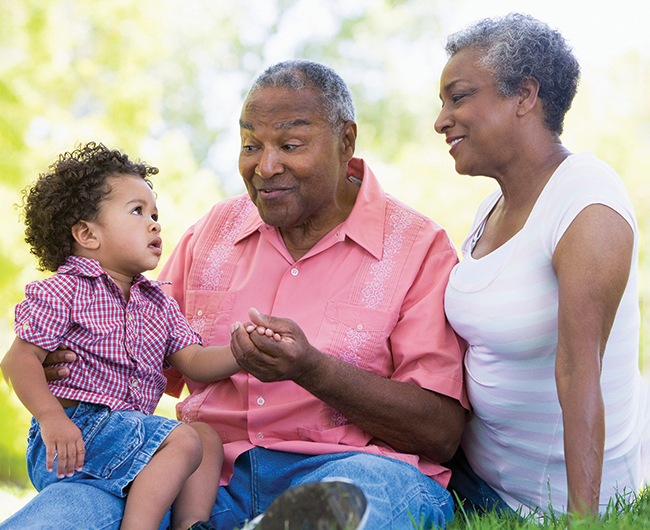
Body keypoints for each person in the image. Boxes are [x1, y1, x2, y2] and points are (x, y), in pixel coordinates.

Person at [25, 60, 469, 530]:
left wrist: (310, 368)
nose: (266, 166)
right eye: (250, 146)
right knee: (69, 513)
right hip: (205, 480)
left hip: (350, 467)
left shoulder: (418, 247)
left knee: (353, 498)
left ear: (346, 141)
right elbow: (148, 350)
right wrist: (73, 355)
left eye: (290, 145)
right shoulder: (211, 233)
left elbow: (440, 433)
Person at [435, 13, 649, 518]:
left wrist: (582, 521)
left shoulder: (585, 200)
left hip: (537, 500)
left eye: (458, 97)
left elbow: (579, 369)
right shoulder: (491, 208)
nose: (441, 119)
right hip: (473, 474)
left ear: (525, 96)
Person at [0, 142, 250, 530]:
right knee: (182, 440)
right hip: (74, 436)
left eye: (154, 214)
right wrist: (51, 418)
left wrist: (244, 351)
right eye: (138, 212)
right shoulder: (64, 291)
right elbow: (17, 360)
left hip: (127, 436)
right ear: (87, 233)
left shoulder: (159, 304)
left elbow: (195, 364)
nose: (154, 224)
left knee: (205, 436)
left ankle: (192, 524)